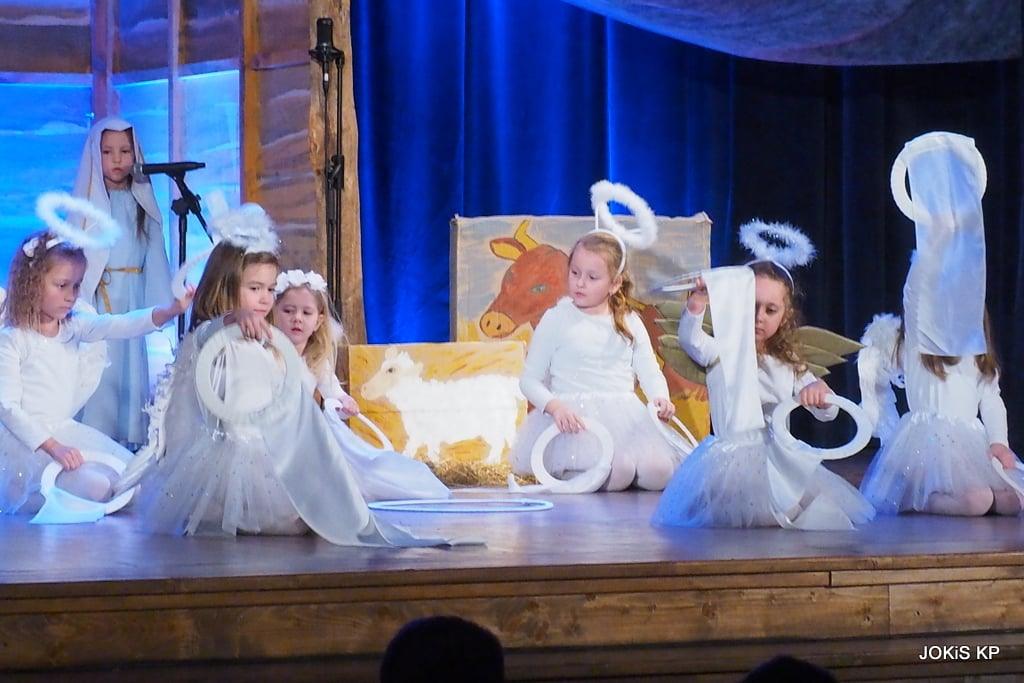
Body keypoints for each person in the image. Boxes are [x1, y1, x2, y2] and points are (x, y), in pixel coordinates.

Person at [653, 221, 874, 529]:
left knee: (808, 505)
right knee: (754, 513)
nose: (759, 317)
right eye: (752, 305)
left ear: (785, 315)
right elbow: (691, 340)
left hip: (775, 457)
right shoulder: (721, 351)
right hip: (729, 458)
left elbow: (827, 409)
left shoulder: (788, 363)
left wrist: (821, 394)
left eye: (771, 310)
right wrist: (697, 303)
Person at [0, 193, 189, 514]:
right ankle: (46, 491)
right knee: (99, 487)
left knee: (137, 480)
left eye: (76, 286)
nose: (71, 296)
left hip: (64, 429)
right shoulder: (13, 339)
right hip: (28, 442)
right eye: (62, 286)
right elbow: (7, 408)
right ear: (32, 284)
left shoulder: (74, 325)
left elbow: (119, 324)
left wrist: (170, 311)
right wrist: (55, 448)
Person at [510, 181, 683, 492]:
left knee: (659, 472)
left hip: (625, 417)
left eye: (592, 277)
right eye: (575, 273)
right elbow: (529, 381)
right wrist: (554, 407)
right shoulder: (557, 318)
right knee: (619, 471)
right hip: (575, 422)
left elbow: (649, 371)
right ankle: (578, 473)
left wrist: (660, 399)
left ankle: (615, 478)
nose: (580, 283)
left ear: (614, 284)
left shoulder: (629, 321)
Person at [272, 269, 449, 501]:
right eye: (288, 311)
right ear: (275, 312)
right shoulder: (270, 354)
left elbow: (333, 391)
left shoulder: (316, 360)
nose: (297, 318)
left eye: (306, 313)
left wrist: (345, 401)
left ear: (319, 321)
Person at [73, 117, 173, 448]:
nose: (116, 159)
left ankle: (126, 442)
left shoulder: (142, 204)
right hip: (98, 298)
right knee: (101, 373)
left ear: (136, 154)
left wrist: (163, 305)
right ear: (95, 154)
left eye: (124, 151)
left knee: (130, 367)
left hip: (130, 296)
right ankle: (94, 438)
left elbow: (154, 256)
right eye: (107, 152)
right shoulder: (87, 205)